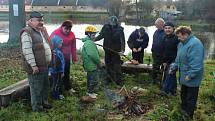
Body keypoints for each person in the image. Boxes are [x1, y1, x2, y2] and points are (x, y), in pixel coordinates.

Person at [20, 11, 52, 112]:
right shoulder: (26, 32)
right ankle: (37, 109)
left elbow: (49, 45)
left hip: (44, 66)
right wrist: (33, 66)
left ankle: (44, 102)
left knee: (45, 86)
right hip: (36, 68)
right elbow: (27, 50)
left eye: (42, 20)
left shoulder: (40, 31)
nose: (41, 22)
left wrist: (45, 32)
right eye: (38, 20)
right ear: (31, 21)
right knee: (36, 89)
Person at [170, 26, 204, 119]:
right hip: (183, 76)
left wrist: (191, 75)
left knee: (191, 97)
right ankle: (183, 110)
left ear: (186, 34)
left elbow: (197, 63)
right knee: (183, 94)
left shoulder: (195, 44)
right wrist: (174, 66)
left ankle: (188, 115)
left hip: (191, 77)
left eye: (180, 36)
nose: (178, 38)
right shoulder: (181, 44)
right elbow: (178, 59)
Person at [95, 16, 125, 86]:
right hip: (107, 50)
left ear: (116, 23)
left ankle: (119, 81)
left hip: (116, 51)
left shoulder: (120, 29)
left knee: (117, 66)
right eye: (111, 23)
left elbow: (122, 40)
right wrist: (94, 39)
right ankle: (109, 79)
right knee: (108, 66)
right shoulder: (105, 27)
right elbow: (101, 35)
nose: (112, 25)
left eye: (114, 23)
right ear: (109, 22)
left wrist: (122, 50)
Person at [50, 20, 76, 94]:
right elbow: (50, 44)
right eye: (66, 29)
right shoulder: (55, 33)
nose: (67, 31)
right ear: (62, 27)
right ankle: (58, 89)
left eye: (69, 29)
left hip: (67, 57)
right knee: (58, 73)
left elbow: (73, 46)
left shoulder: (72, 34)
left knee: (67, 72)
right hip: (57, 57)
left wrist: (74, 58)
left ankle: (68, 87)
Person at [81, 25, 101, 99]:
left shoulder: (87, 42)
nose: (94, 36)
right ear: (88, 35)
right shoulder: (90, 43)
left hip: (88, 65)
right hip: (92, 65)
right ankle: (90, 92)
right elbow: (93, 55)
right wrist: (99, 62)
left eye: (95, 35)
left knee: (90, 78)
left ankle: (89, 91)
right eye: (93, 35)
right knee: (95, 80)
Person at [161, 22, 179, 96]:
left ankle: (165, 91)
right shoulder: (164, 38)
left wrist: (177, 61)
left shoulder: (177, 38)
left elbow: (179, 51)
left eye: (169, 28)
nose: (167, 29)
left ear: (173, 29)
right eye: (166, 28)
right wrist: (164, 61)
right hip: (167, 60)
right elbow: (164, 50)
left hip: (174, 60)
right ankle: (173, 90)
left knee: (169, 74)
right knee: (172, 75)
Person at [49, 35, 65, 100]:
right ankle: (55, 96)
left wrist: (49, 71)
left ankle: (54, 94)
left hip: (52, 71)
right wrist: (62, 72)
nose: (61, 44)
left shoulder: (52, 52)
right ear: (56, 44)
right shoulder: (58, 53)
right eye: (60, 43)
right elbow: (60, 64)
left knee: (54, 83)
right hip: (57, 72)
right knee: (56, 84)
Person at [151, 18, 165, 85]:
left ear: (161, 24)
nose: (155, 25)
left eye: (156, 24)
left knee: (162, 69)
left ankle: (161, 81)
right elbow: (154, 42)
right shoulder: (156, 32)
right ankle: (154, 80)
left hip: (162, 54)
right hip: (155, 53)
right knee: (155, 67)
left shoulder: (166, 32)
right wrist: (152, 49)